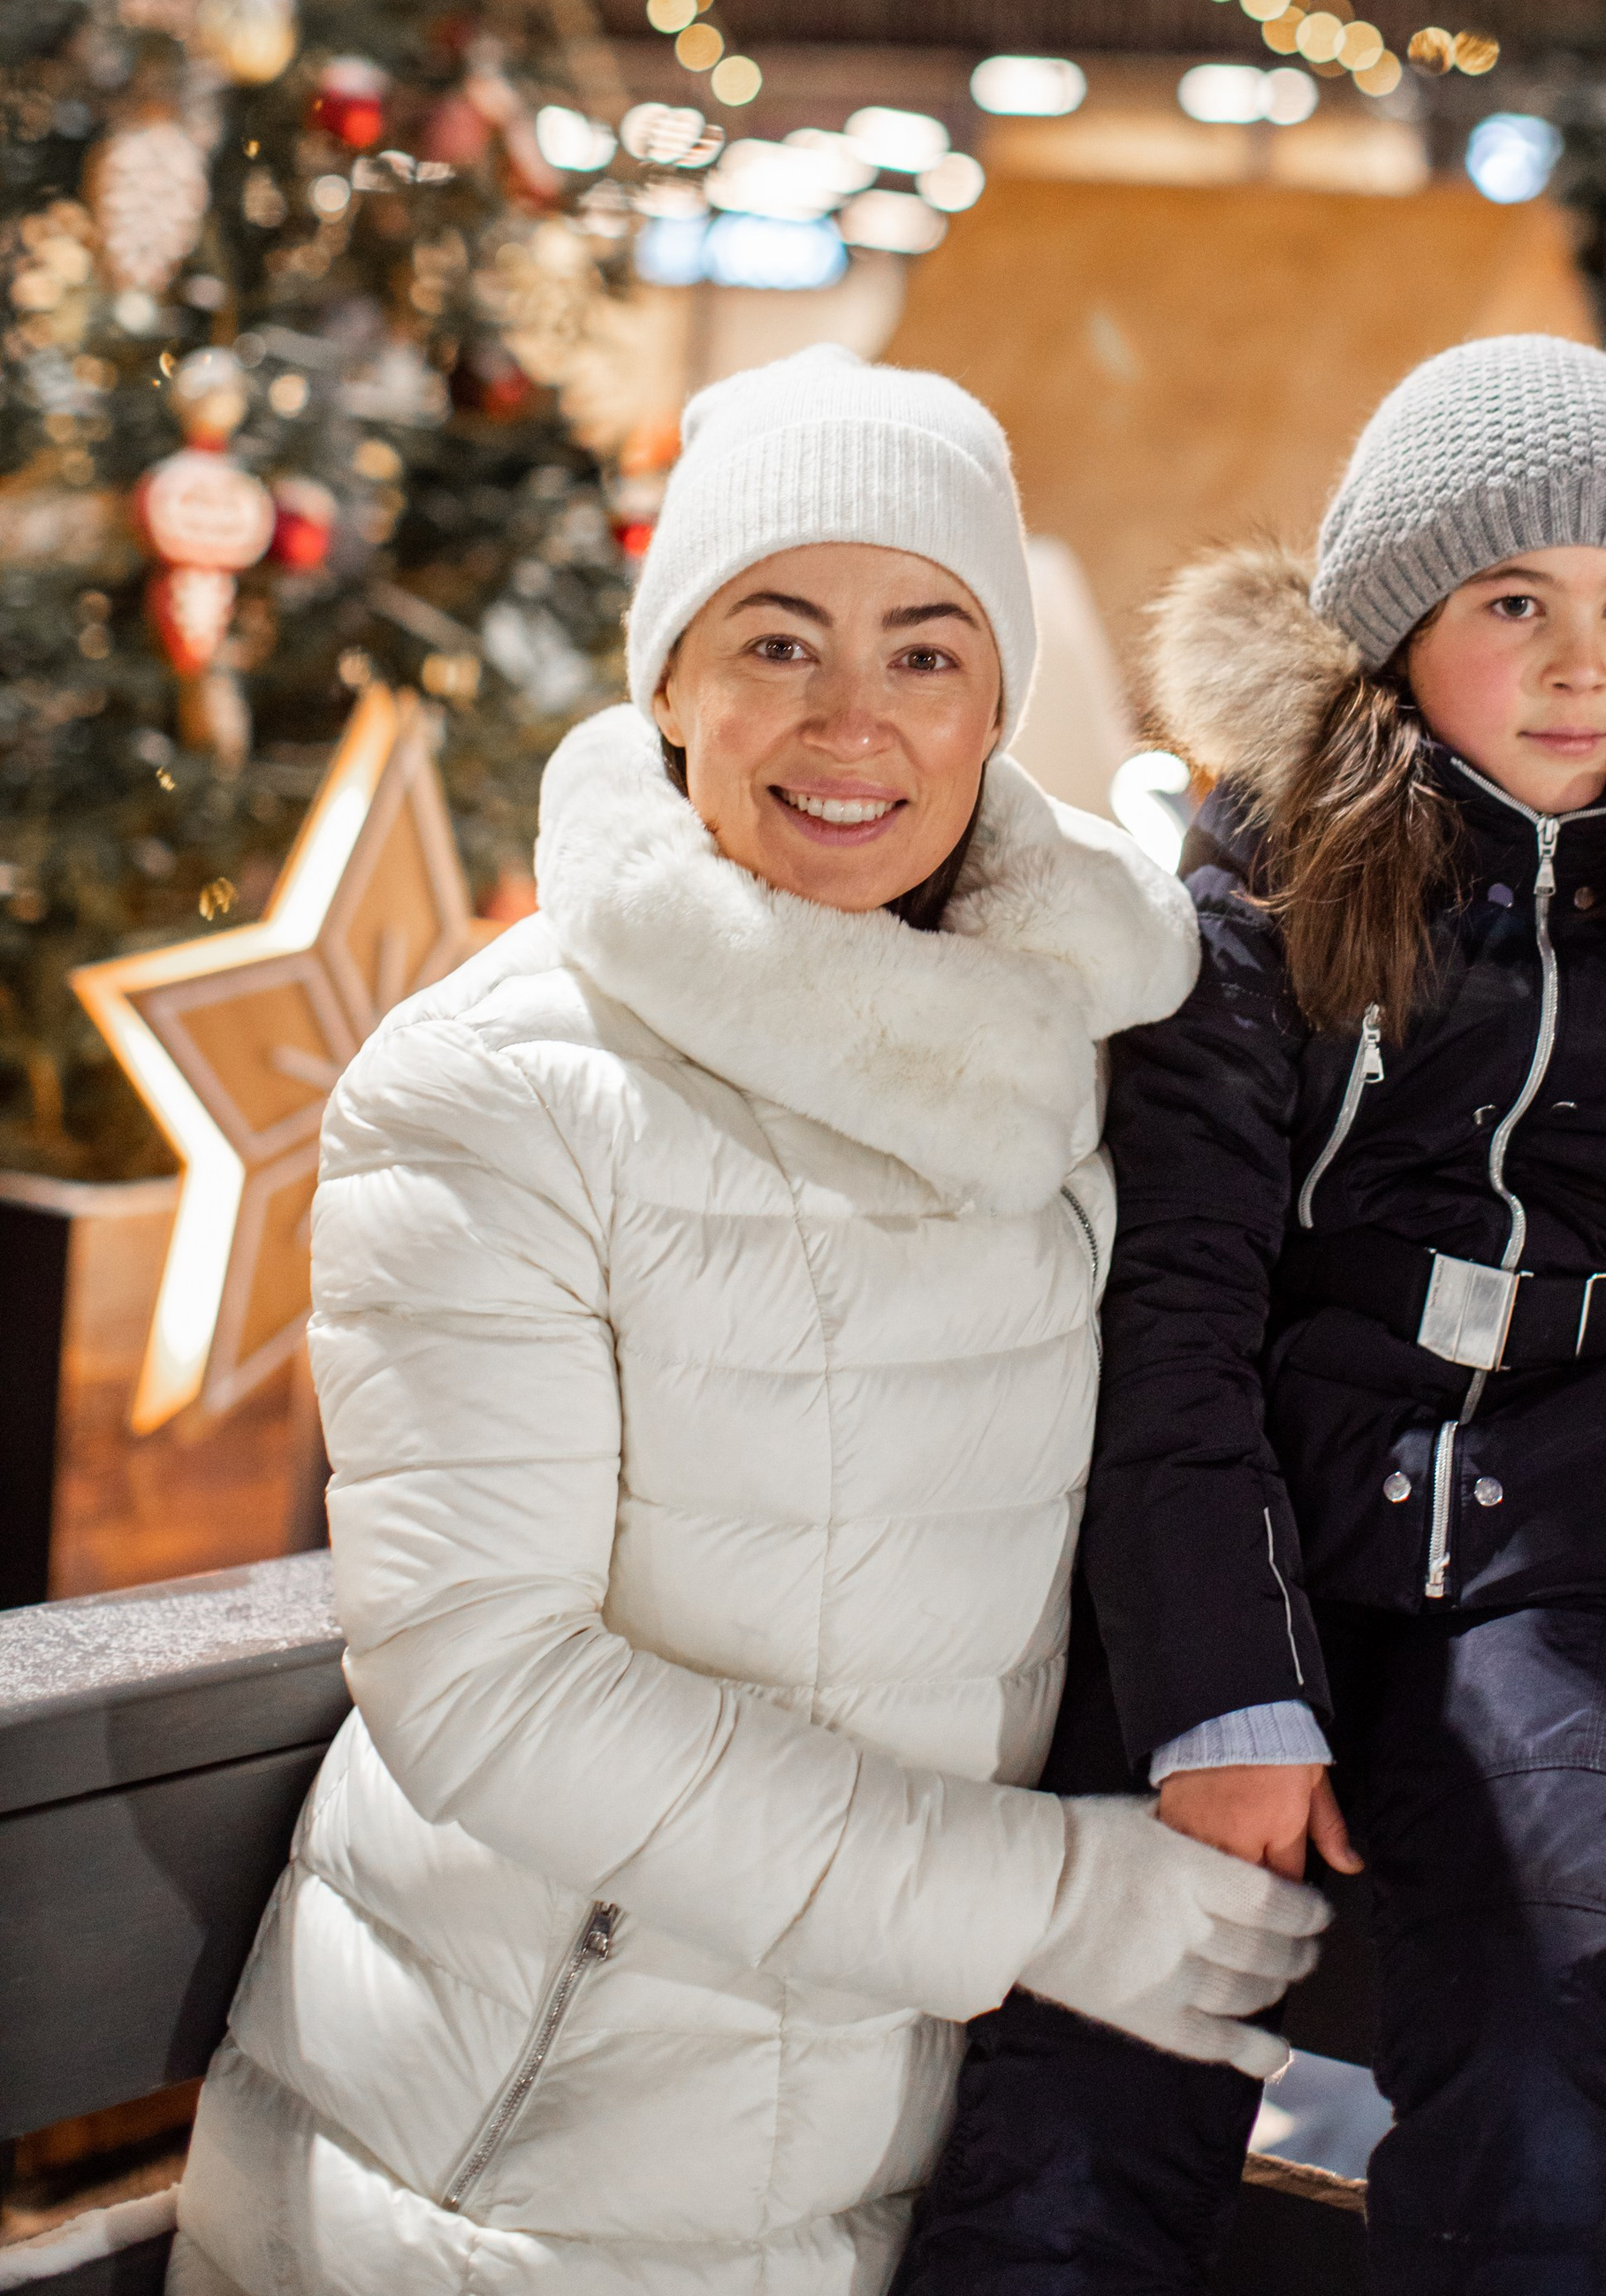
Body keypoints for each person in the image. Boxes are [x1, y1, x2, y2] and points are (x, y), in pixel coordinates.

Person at [895, 333, 1606, 2296]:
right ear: (1397, 627)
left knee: (1558, 2005)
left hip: (1596, 1538)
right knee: (1088, 2061)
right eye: (1511, 602)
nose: (1580, 661)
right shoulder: (1271, 869)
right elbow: (1174, 1288)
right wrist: (1218, 1693)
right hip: (1265, 1501)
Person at [170, 347, 1325, 2296]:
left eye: (927, 650)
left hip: (892, 2158)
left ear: (996, 706)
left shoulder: (1086, 1058)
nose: (852, 720)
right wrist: (1048, 1902)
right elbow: (484, 1681)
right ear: (668, 685)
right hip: (503, 2168)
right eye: (776, 641)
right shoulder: (497, 1088)